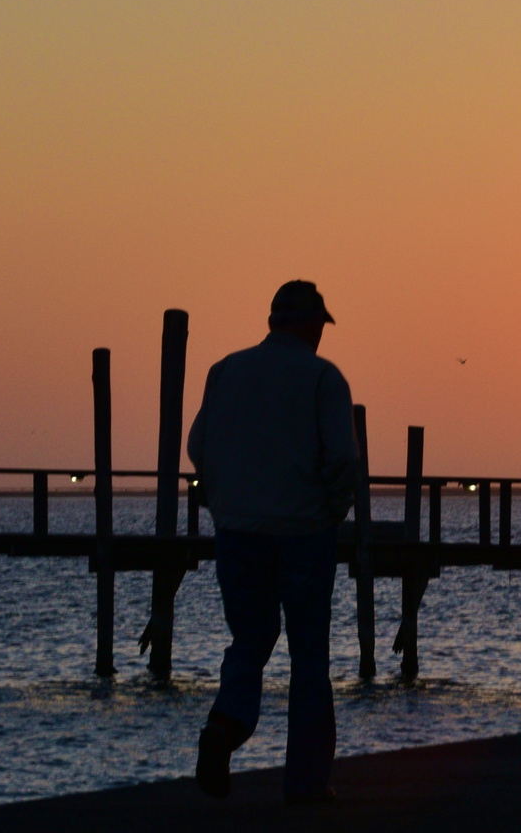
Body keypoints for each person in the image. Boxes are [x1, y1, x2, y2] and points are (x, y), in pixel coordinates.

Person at [187, 280, 360, 804]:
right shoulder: (322, 378)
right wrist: (331, 511)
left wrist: (222, 501)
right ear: (311, 325)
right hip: (304, 531)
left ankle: (226, 725)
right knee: (308, 654)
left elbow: (199, 447)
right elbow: (342, 461)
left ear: (271, 322)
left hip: (237, 531)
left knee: (250, 638)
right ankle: (306, 783)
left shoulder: (225, 371)